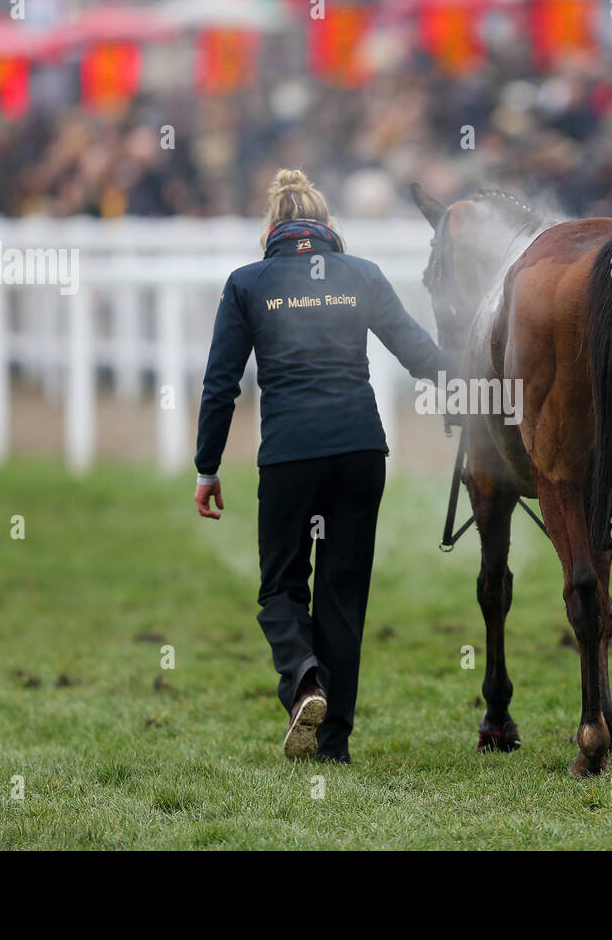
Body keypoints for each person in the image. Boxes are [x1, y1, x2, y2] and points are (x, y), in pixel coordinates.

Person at [193, 169, 455, 764]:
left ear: (271, 230)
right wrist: (481, 389)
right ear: (328, 227)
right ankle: (332, 747)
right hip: (362, 452)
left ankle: (305, 678)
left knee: (281, 588)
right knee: (343, 598)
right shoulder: (360, 274)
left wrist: (207, 468)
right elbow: (418, 353)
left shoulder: (247, 284)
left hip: (289, 457)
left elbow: (219, 386)